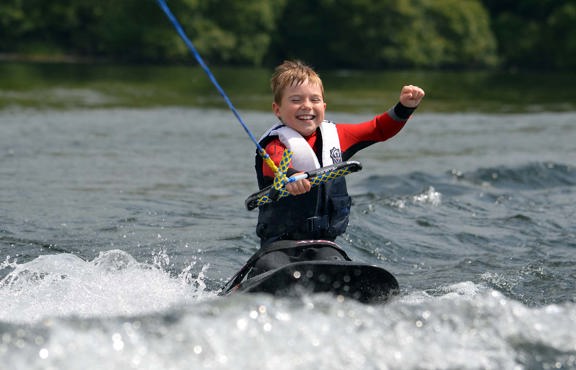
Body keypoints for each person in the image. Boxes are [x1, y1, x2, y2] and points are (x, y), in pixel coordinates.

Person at [245, 60, 424, 278]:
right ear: (277, 110)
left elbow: (378, 129)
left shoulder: (337, 137)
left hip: (323, 243)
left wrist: (404, 107)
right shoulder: (275, 144)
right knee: (270, 267)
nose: (307, 105)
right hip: (278, 245)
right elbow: (277, 166)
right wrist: (291, 178)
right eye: (296, 100)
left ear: (324, 107)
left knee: (333, 264)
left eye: (315, 99)